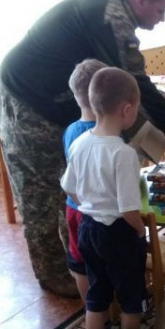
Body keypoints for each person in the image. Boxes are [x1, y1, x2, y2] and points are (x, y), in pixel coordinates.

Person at [0, 0, 165, 297]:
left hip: (54, 103)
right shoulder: (112, 15)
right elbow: (135, 84)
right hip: (26, 101)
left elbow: (128, 94)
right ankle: (54, 275)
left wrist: (158, 139)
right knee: (41, 193)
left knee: (68, 190)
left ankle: (78, 263)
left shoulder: (114, 9)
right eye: (160, 10)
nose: (162, 19)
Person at [60, 67, 147, 329]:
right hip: (118, 233)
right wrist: (140, 231)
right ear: (127, 109)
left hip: (87, 229)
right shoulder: (123, 154)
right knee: (130, 301)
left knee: (96, 299)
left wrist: (90, 203)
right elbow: (129, 210)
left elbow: (69, 189)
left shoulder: (78, 143)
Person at [63, 59, 107, 299]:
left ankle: (88, 306)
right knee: (106, 259)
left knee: (79, 262)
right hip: (98, 211)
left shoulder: (70, 130)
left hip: (73, 208)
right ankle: (113, 306)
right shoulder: (105, 134)